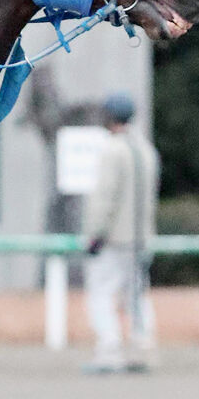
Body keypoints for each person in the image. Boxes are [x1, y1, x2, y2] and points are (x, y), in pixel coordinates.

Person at [82, 92, 160, 373]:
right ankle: (142, 348)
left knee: (101, 293)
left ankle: (109, 351)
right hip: (141, 238)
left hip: (114, 239)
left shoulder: (111, 149)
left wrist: (94, 234)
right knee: (137, 295)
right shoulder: (147, 149)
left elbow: (105, 198)